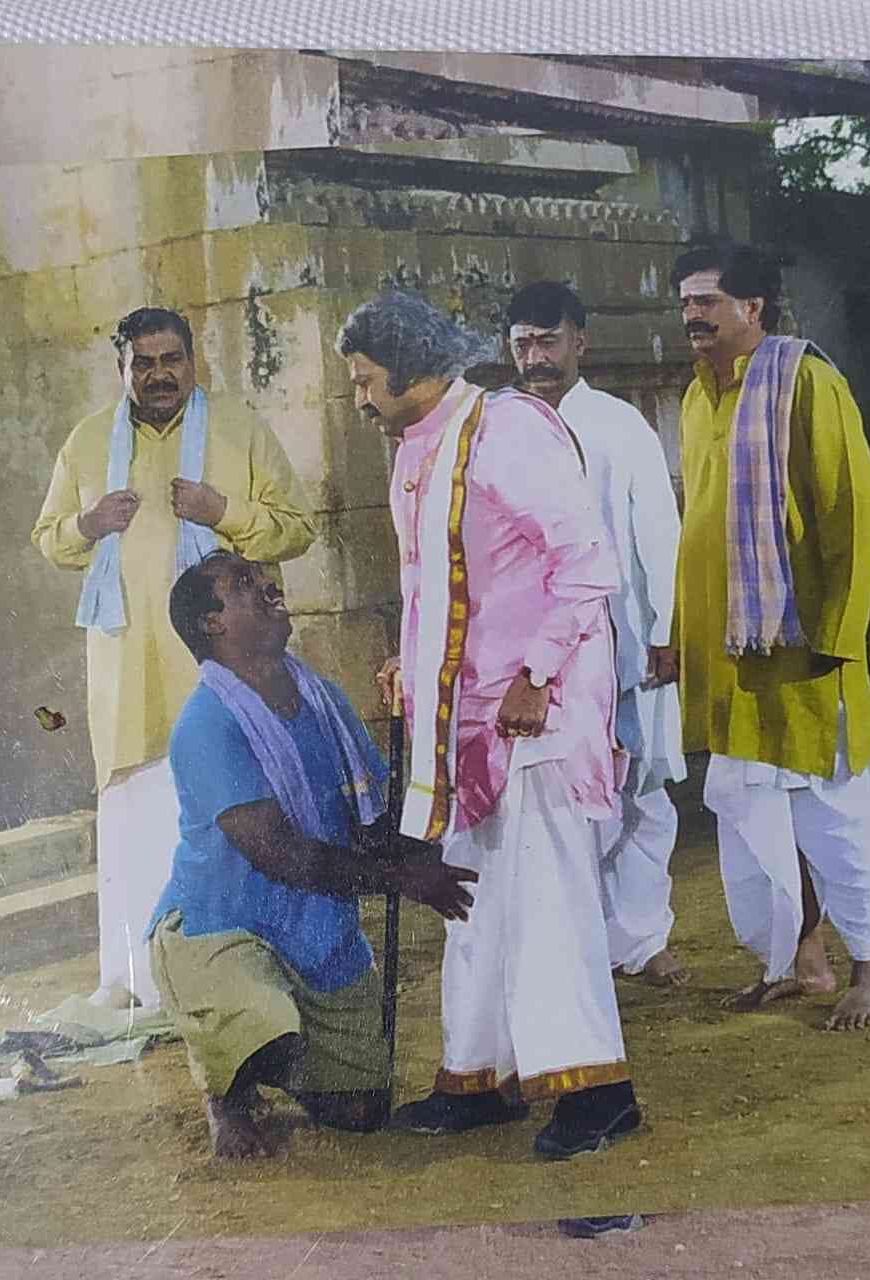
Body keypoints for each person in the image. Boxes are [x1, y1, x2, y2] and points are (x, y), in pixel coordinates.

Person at [336, 291, 641, 1160]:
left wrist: (537, 674)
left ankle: (598, 1095)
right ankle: (477, 1080)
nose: (358, 399)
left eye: (365, 381)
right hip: (463, 722)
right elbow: (432, 587)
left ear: (413, 372)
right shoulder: (416, 449)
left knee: (547, 900)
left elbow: (585, 562)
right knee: (471, 898)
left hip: (534, 712)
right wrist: (409, 662)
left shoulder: (506, 430)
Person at [32, 307, 316, 1012]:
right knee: (134, 808)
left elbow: (297, 529)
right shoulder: (87, 441)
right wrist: (89, 523)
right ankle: (137, 980)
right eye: (144, 363)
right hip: (127, 666)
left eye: (171, 360)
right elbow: (50, 538)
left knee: (227, 801)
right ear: (122, 367)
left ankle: (237, 976)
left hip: (220, 669)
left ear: (193, 361)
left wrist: (223, 511)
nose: (159, 374)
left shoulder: (239, 429)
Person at [147, 550, 477, 1158]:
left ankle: (275, 1050)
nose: (268, 585)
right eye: (244, 583)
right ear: (213, 623)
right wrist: (402, 878)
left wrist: (425, 854)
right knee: (262, 1029)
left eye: (261, 576)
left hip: (315, 929)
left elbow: (372, 823)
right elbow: (280, 855)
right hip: (223, 930)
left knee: (361, 1112)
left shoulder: (322, 698)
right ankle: (229, 1091)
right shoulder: (205, 724)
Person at [669, 242, 870, 1031]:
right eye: (685, 302)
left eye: (706, 300)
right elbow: (697, 530)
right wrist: (679, 638)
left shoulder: (804, 381)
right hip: (730, 655)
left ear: (752, 307)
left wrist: (839, 631)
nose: (692, 315)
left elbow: (850, 507)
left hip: (802, 650)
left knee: (833, 811)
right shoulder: (696, 396)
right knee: (751, 812)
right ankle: (799, 963)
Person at [505, 280, 688, 988]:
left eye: (548, 341)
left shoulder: (617, 425)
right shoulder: (500, 428)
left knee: (640, 789)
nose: (536, 357)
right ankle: (575, 947)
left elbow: (658, 532)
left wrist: (667, 628)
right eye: (523, 344)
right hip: (536, 654)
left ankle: (642, 939)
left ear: (579, 341)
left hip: (623, 640)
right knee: (556, 800)